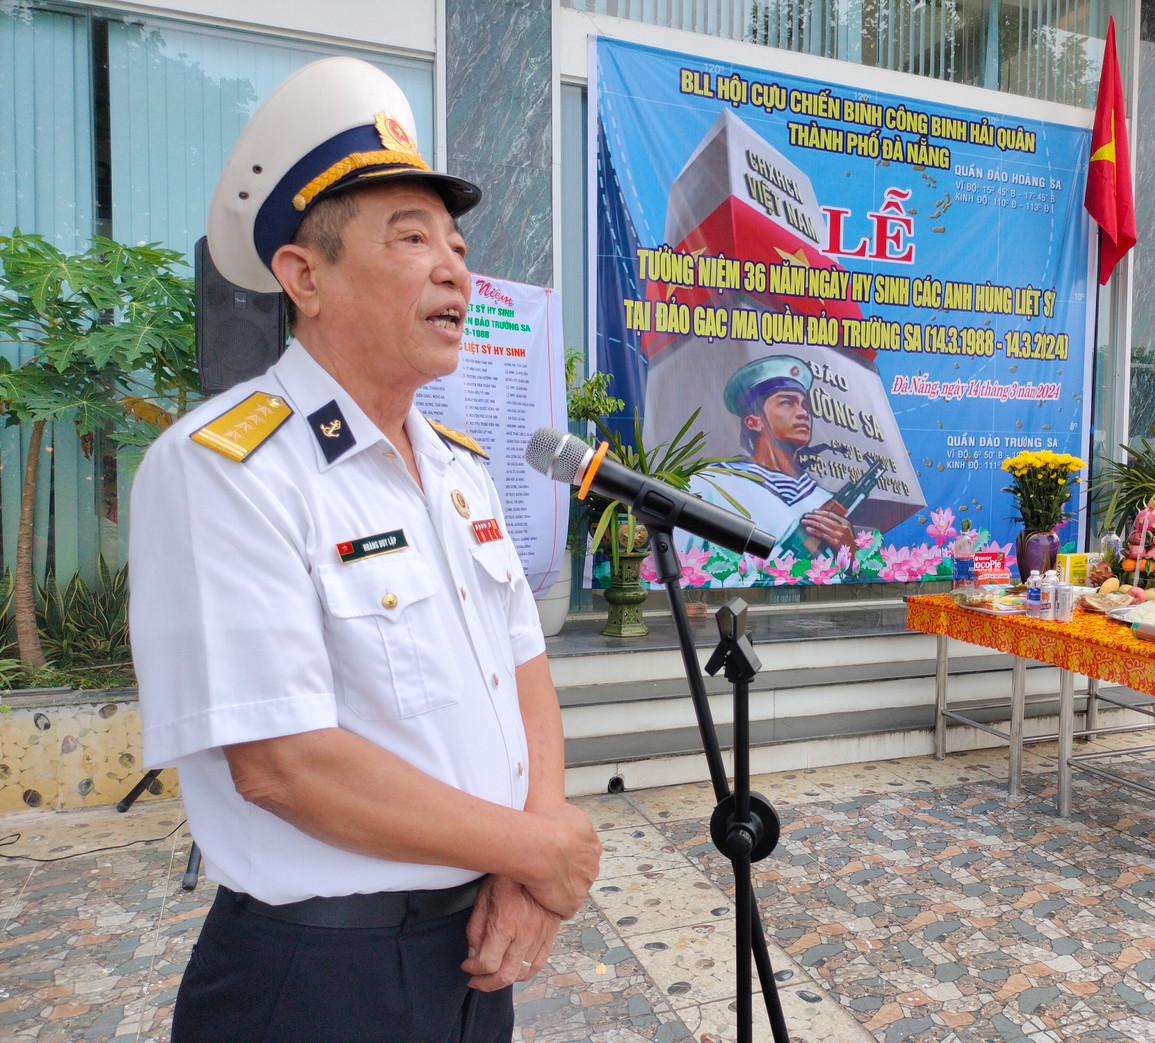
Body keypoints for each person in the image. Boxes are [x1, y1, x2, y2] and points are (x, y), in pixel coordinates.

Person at [129, 57, 601, 1043]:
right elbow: (282, 763)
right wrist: (533, 844)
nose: (454, 267)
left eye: (457, 243)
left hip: (472, 950)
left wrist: (528, 854)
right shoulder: (228, 467)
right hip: (318, 980)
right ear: (304, 276)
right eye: (411, 237)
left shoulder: (460, 468)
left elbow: (524, 669)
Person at [680, 354, 854, 561]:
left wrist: (849, 550)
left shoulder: (824, 500)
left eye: (805, 406)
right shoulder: (711, 485)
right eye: (787, 403)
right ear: (753, 422)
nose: (802, 413)